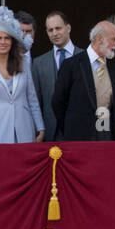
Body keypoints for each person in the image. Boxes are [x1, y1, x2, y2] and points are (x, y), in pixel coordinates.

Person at [52, 20, 115, 141]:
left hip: (104, 135)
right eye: (113, 39)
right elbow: (58, 102)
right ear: (100, 39)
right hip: (78, 137)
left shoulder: (113, 68)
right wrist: (71, 127)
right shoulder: (72, 65)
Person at [0, 6, 44, 145]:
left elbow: (32, 98)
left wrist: (40, 128)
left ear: (12, 42)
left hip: (24, 129)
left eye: (7, 38)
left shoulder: (23, 63)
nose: (3, 42)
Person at [31, 10, 82, 140]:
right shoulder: (38, 63)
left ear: (68, 28)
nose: (54, 33)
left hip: (80, 131)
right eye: (50, 30)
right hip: (50, 133)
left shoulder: (85, 58)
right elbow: (36, 102)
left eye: (58, 28)